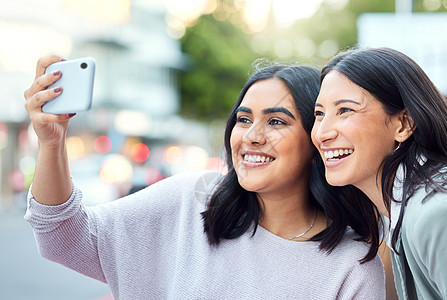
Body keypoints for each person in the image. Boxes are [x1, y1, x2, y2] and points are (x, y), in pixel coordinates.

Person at [24, 55, 385, 299]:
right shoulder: (193, 199)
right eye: (244, 119)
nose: (252, 136)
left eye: (276, 121)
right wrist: (51, 143)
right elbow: (62, 239)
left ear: (315, 140)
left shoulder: (352, 267)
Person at [311, 47, 447, 299]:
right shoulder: (400, 211)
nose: (322, 133)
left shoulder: (444, 214)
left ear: (404, 124)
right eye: (319, 114)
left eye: (345, 110)